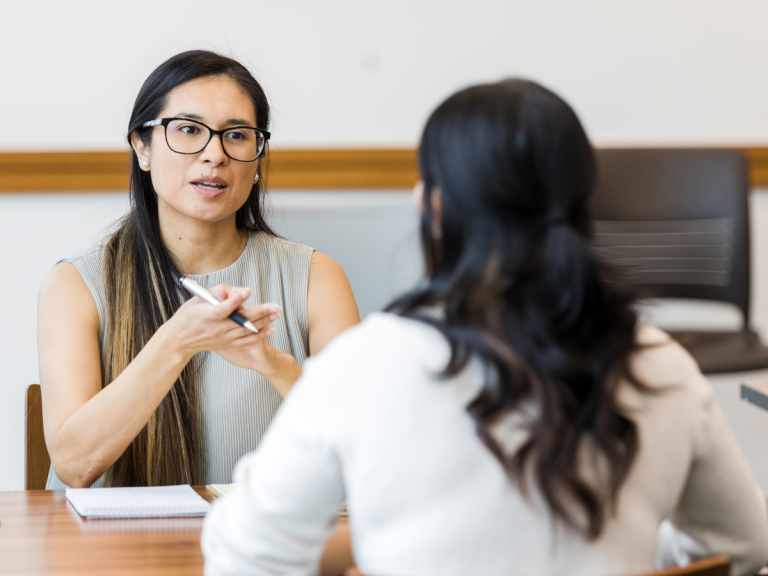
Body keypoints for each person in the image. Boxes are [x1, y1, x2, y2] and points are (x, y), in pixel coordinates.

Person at [201, 79, 768, 576]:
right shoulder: (659, 362)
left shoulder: (369, 362)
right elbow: (742, 545)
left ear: (433, 206)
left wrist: (372, 549)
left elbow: (243, 557)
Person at [37, 50, 360, 490]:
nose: (215, 154)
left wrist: (275, 367)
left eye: (237, 135)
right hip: (113, 554)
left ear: (258, 159)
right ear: (142, 147)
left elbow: (363, 452)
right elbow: (75, 466)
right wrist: (177, 340)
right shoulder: (74, 284)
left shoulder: (317, 277)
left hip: (262, 550)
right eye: (188, 130)